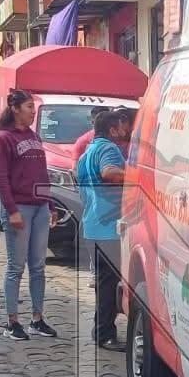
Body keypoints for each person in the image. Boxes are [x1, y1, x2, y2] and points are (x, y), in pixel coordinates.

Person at [0, 88, 57, 341]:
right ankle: (12, 321)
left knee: (38, 266)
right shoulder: (3, 139)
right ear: (15, 108)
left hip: (39, 207)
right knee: (16, 266)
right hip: (19, 208)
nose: (33, 112)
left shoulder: (34, 137)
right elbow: (0, 178)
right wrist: (11, 209)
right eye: (29, 107)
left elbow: (42, 174)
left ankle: (37, 319)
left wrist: (50, 204)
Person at [75, 108, 135, 350]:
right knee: (109, 285)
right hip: (108, 227)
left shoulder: (86, 152)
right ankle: (105, 334)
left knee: (104, 284)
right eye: (121, 126)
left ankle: (100, 329)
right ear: (112, 130)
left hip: (92, 224)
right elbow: (109, 172)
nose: (126, 129)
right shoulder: (108, 149)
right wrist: (139, 176)